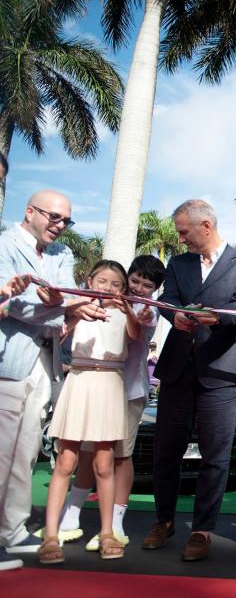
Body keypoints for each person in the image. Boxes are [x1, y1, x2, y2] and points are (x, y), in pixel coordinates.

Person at [142, 200, 236, 562]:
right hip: (178, 370)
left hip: (222, 373)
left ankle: (201, 529)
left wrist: (213, 318)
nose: (180, 239)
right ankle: (163, 520)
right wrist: (176, 315)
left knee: (215, 456)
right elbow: (167, 301)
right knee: (166, 451)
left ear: (206, 226)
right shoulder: (178, 265)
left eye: (184, 232)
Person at [0, 191, 102, 568]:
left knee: (25, 452)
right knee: (1, 450)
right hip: (8, 361)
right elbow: (12, 304)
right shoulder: (4, 244)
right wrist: (62, 304)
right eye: (53, 217)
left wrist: (56, 302)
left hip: (46, 362)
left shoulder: (62, 255)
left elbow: (56, 298)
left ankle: (12, 531)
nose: (59, 226)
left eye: (66, 221)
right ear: (29, 212)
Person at [52, 255, 165, 552]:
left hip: (127, 391)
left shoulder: (148, 310)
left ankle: (116, 524)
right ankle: (70, 518)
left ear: (155, 290)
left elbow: (138, 330)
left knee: (120, 455)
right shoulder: (100, 299)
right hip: (94, 388)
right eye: (135, 280)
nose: (138, 287)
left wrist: (132, 313)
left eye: (147, 284)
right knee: (88, 453)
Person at [38, 260, 143, 564]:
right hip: (79, 382)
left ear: (123, 289)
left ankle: (108, 532)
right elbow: (58, 337)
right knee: (65, 461)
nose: (108, 288)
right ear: (89, 281)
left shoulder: (125, 313)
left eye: (116, 284)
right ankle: (51, 534)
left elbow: (136, 334)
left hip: (110, 384)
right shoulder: (76, 308)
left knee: (104, 463)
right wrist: (72, 311)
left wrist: (127, 310)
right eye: (103, 281)